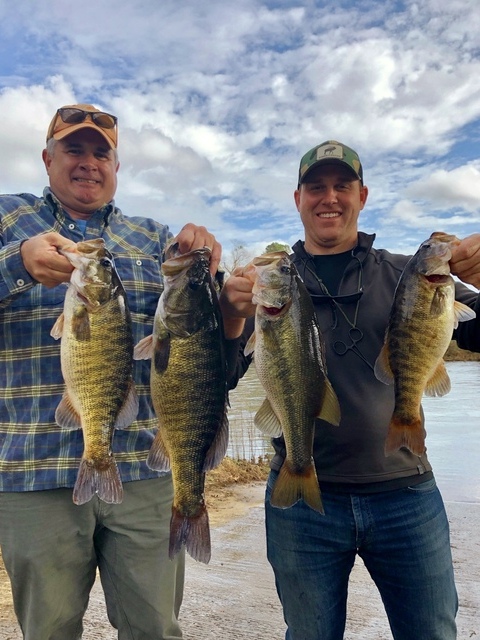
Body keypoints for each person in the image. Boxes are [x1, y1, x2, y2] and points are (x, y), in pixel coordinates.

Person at [219, 140, 480, 640]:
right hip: (301, 505)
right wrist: (231, 317)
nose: (329, 198)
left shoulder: (412, 274)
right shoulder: (269, 284)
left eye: (342, 186)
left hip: (405, 494)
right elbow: (222, 378)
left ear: (363, 195)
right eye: (316, 187)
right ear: (298, 199)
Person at [0, 103, 221, 640]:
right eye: (74, 149)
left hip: (145, 470)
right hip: (34, 468)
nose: (88, 162)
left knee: (153, 628)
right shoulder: (8, 218)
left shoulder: (152, 237)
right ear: (48, 159)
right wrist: (17, 264)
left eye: (101, 153)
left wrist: (209, 264)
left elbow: (193, 336)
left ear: (116, 167)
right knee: (47, 630)